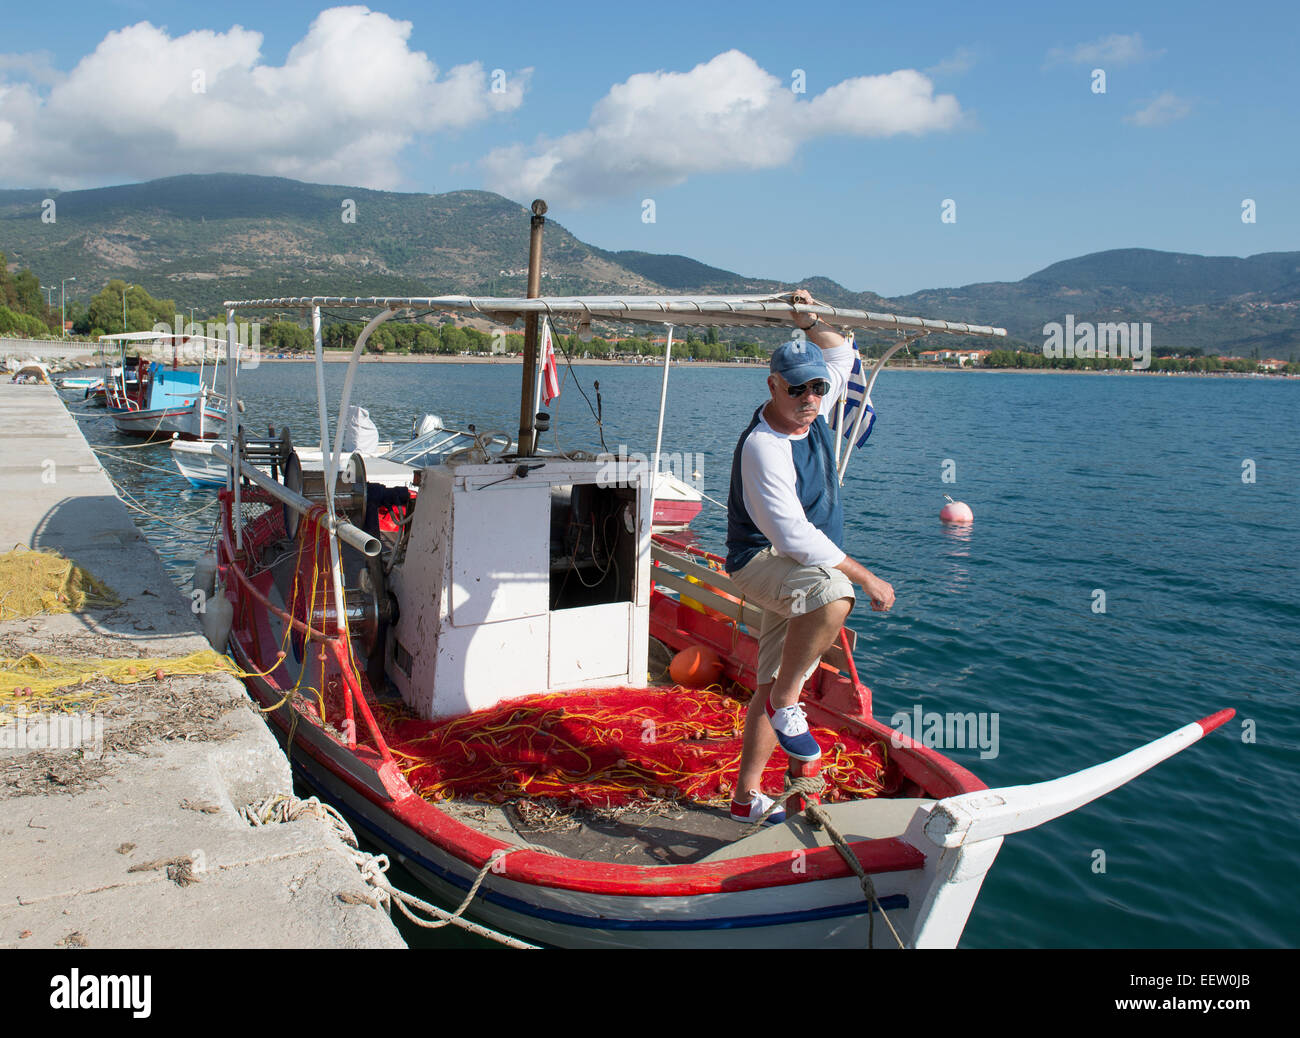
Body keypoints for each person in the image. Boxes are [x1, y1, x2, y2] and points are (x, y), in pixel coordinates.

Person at [725, 290, 895, 823]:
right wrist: (865, 576)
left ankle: (745, 797)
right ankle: (788, 705)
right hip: (763, 562)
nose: (811, 397)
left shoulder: (816, 407)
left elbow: (841, 354)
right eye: (797, 387)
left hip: (796, 568)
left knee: (769, 680)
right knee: (834, 594)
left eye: (817, 387)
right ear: (773, 385)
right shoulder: (764, 445)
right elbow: (792, 535)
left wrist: (811, 320)